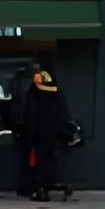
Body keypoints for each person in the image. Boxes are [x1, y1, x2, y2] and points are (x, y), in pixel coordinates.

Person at [22, 67, 73, 200]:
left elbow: (31, 116)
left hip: (41, 133)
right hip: (57, 133)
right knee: (50, 161)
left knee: (41, 162)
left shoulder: (36, 94)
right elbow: (65, 114)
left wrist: (30, 136)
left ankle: (41, 190)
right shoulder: (57, 93)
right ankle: (48, 186)